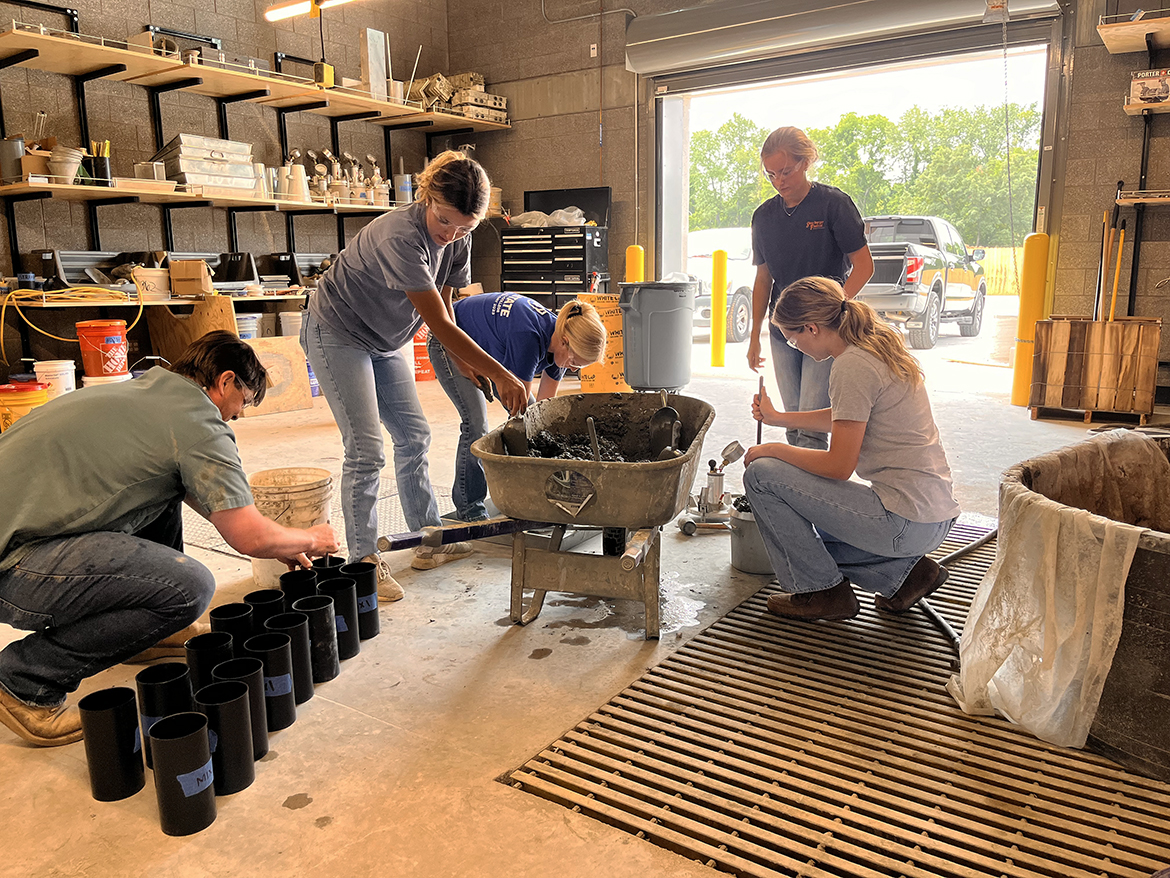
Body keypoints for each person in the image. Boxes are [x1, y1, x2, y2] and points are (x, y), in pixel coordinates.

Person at [0, 331, 340, 747]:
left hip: (18, 533)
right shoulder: (198, 423)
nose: (238, 416)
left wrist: (281, 541)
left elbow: (207, 497)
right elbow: (247, 536)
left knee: (162, 492)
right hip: (14, 564)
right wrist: (307, 538)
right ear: (227, 381)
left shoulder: (148, 392)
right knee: (189, 588)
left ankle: (148, 632)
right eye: (244, 403)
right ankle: (23, 680)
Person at [301, 150, 528, 602]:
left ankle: (429, 539)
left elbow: (447, 310)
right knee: (366, 449)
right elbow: (439, 325)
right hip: (337, 332)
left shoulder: (459, 235)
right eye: (445, 222)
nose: (452, 235)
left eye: (465, 227)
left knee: (415, 436)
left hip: (385, 340)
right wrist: (503, 375)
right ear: (426, 197)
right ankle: (363, 562)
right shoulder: (399, 237)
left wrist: (465, 361)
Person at [743, 277, 960, 622]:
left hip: (903, 521)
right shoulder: (873, 346)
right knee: (807, 540)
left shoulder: (850, 365)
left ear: (811, 328)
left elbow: (839, 465)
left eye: (791, 337)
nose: (793, 345)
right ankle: (907, 577)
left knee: (761, 477)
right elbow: (848, 415)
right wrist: (780, 418)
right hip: (931, 515)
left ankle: (822, 592)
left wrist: (772, 450)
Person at [746, 126, 874, 450]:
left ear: (805, 162)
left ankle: (810, 496)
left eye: (786, 171)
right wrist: (754, 338)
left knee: (812, 429)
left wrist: (834, 308)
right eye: (771, 174)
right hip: (782, 331)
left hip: (824, 329)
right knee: (792, 423)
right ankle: (795, 492)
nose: (779, 181)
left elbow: (865, 266)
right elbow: (763, 280)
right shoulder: (763, 217)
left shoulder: (834, 205)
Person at [427, 294, 606, 522]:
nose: (572, 369)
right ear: (564, 341)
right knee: (476, 423)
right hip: (450, 339)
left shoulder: (560, 337)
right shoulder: (528, 338)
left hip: (486, 346)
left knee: (538, 430)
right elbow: (519, 413)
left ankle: (543, 498)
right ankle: (469, 507)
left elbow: (542, 412)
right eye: (574, 363)